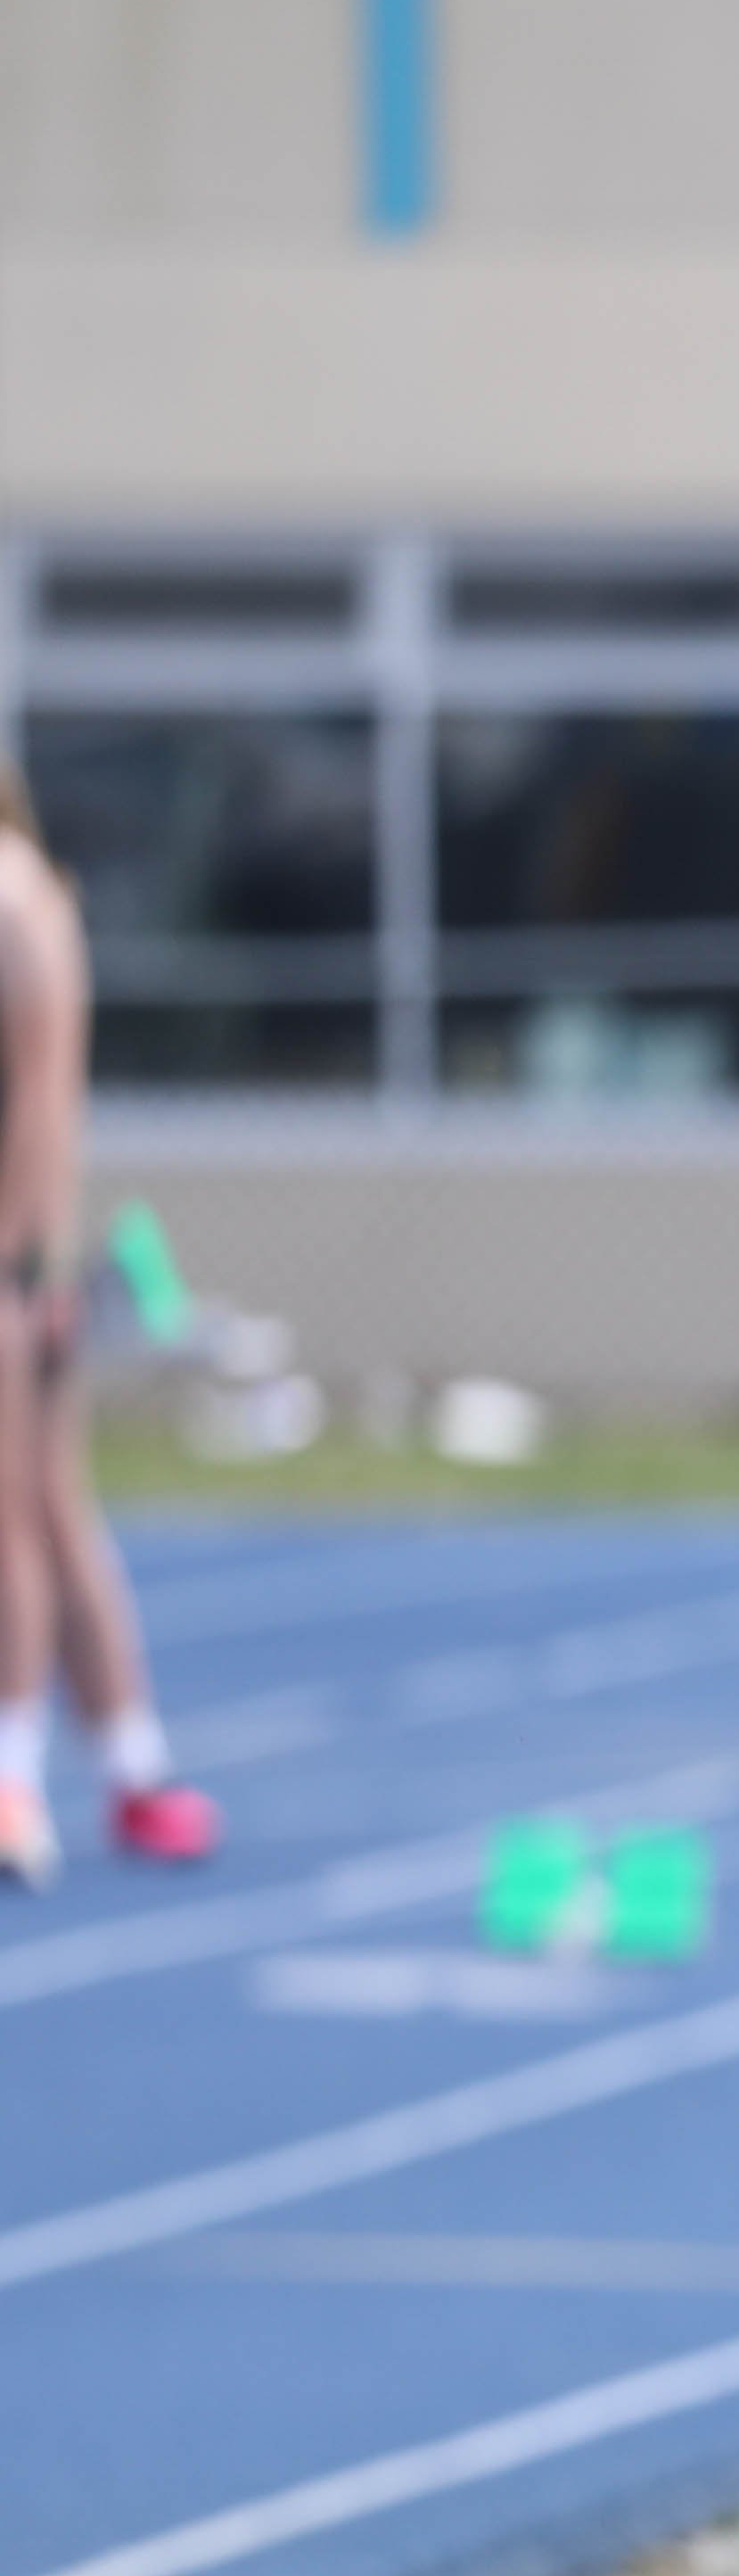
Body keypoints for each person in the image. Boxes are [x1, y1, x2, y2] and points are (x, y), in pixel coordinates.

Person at [0, 760, 219, 1892]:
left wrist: (27, 1263)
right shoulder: (31, 895)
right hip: (30, 1253)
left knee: (13, 1524)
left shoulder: (10, 899)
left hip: (13, 1259)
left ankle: (14, 1773)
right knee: (50, 1507)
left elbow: (35, 1106)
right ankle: (136, 1764)